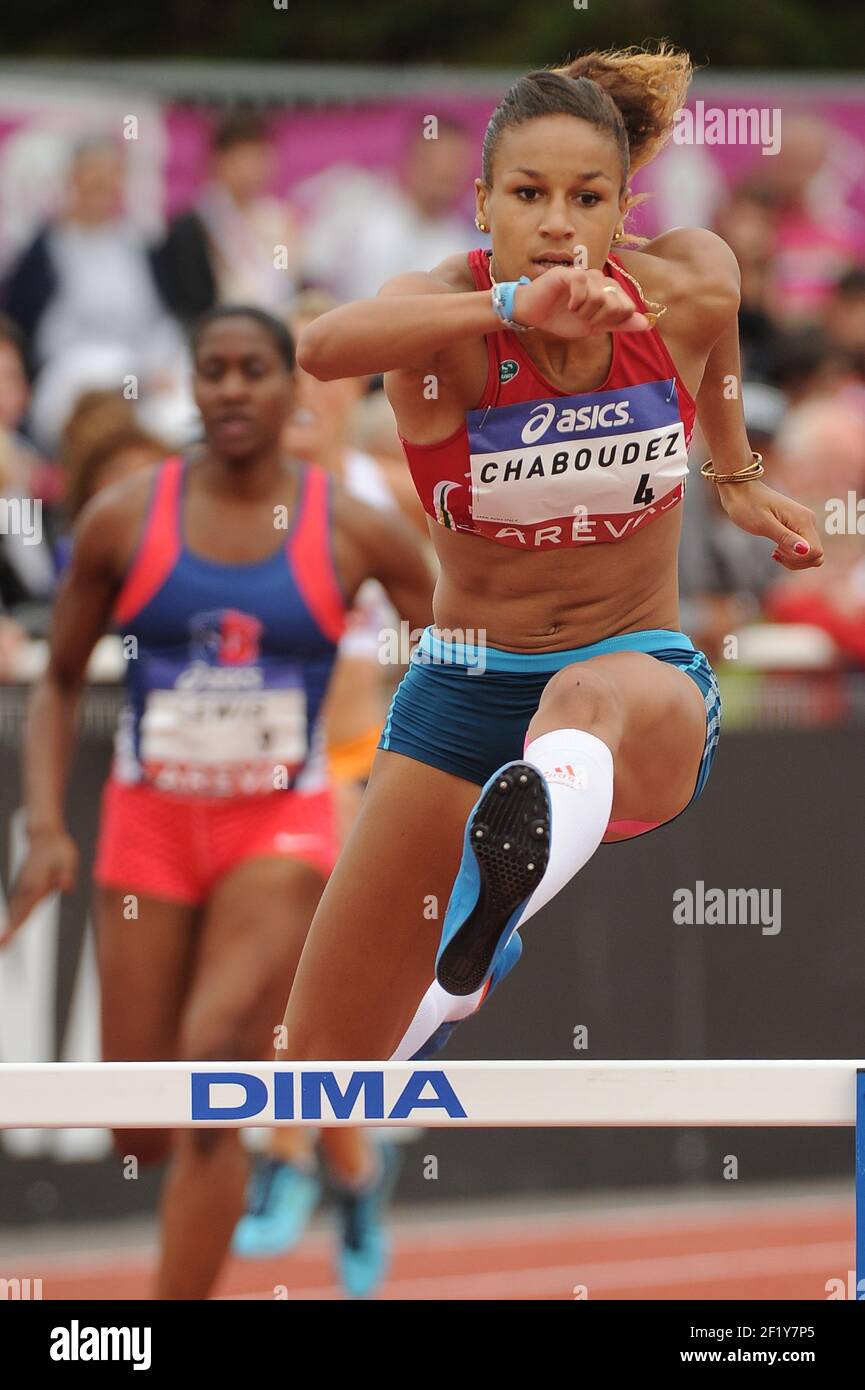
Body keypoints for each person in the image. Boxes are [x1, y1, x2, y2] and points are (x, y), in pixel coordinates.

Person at [274, 43, 823, 1070]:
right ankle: (470, 949)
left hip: (639, 678)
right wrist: (513, 308)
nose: (558, 222)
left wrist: (737, 474)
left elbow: (720, 370)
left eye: (587, 197)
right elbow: (319, 348)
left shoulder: (689, 284)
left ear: (623, 209)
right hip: (464, 689)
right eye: (527, 194)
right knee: (317, 1069)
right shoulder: (438, 318)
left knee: (579, 700)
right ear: (482, 203)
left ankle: (496, 904)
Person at [1, 305, 433, 1299]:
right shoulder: (124, 518)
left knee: (213, 1072)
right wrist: (48, 824)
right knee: (143, 1122)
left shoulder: (353, 525)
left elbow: (459, 656)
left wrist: (420, 797)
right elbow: (60, 678)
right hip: (149, 825)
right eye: (213, 370)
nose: (232, 388)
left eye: (253, 370)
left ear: (291, 393)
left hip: (278, 826)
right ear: (192, 387)